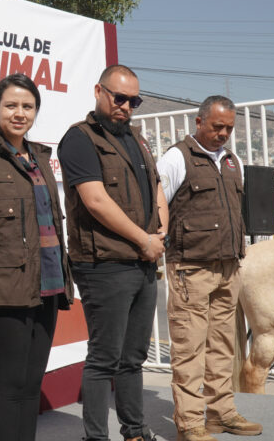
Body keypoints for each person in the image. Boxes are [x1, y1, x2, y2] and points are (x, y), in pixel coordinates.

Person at [0, 73, 74, 441]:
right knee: (8, 385)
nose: (19, 113)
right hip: (4, 289)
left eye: (27, 106)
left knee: (30, 385)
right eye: (11, 105)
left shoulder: (38, 156)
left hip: (49, 284)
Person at [57, 64, 168, 441]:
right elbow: (96, 201)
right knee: (104, 359)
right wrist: (144, 239)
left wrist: (161, 231)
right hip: (103, 265)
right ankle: (96, 437)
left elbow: (156, 189)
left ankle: (134, 433)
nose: (126, 106)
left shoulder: (137, 139)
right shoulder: (79, 139)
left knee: (133, 359)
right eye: (119, 97)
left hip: (142, 262)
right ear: (99, 91)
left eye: (133, 101)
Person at [157, 96, 261, 441]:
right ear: (199, 122)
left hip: (229, 267)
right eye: (217, 126)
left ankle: (221, 414)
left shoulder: (234, 162)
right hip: (191, 269)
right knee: (190, 350)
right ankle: (189, 424)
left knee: (222, 346)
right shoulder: (176, 157)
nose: (223, 133)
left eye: (229, 127)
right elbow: (159, 207)